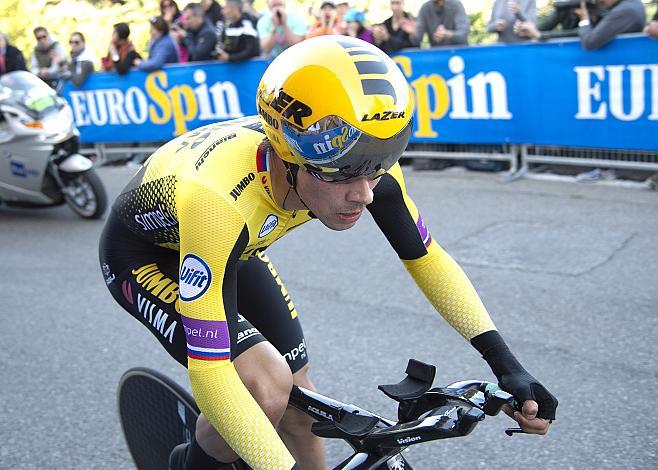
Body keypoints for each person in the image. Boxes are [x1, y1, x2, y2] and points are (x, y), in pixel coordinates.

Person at [99, 35, 557, 470]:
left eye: (376, 168)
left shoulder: (358, 158)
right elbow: (211, 374)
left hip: (236, 249)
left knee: (302, 406)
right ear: (287, 157)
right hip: (145, 255)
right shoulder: (219, 201)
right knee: (266, 388)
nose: (365, 195)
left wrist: (507, 365)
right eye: (341, 176)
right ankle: (189, 463)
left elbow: (428, 258)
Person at [576, 0, 645, 50]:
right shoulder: (634, 4)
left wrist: (584, 20)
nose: (599, 1)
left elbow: (590, 42)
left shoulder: (623, 11)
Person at [514, 0, 583, 41]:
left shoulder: (591, 8)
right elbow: (542, 28)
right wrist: (524, 25)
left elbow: (581, 32)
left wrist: (541, 36)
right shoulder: (564, 8)